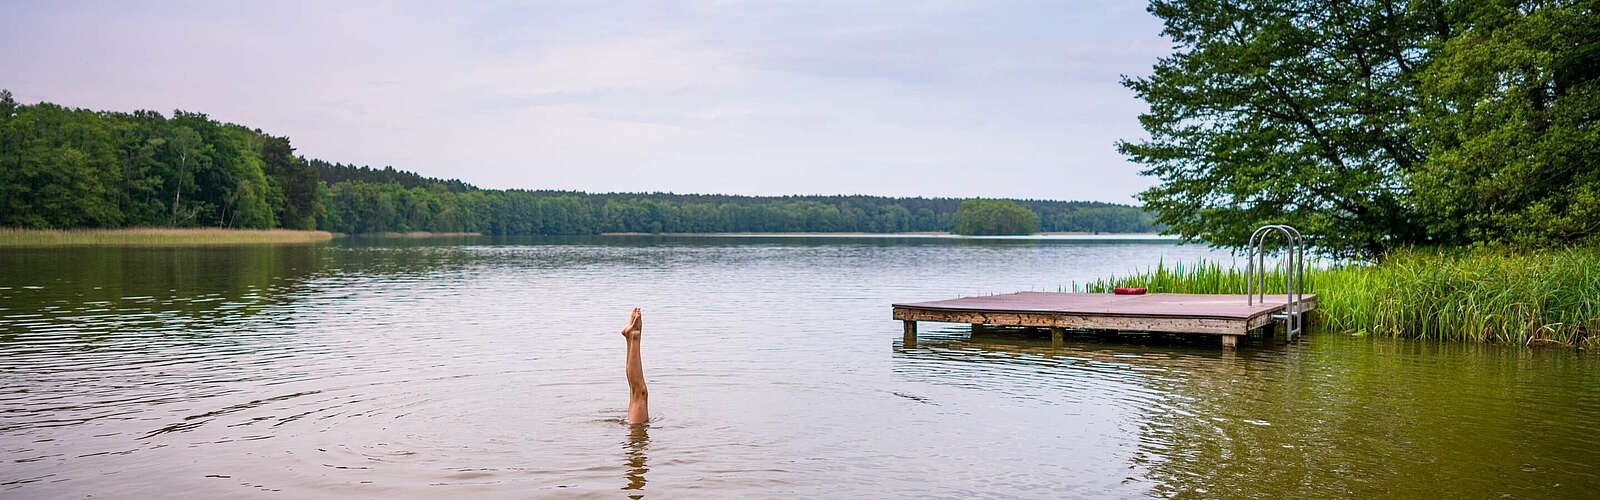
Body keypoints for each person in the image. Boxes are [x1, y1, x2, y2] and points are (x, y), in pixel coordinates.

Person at [621, 307, 648, 424]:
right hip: (636, 427)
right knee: (638, 392)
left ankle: (633, 337)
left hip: (635, 428)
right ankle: (632, 337)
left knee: (639, 392)